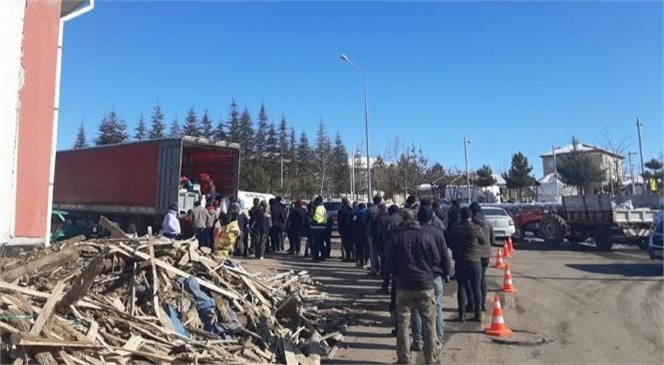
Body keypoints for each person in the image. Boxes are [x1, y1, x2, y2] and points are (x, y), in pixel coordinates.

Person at [384, 209, 440, 365]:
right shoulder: (427, 237)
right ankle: (431, 358)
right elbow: (436, 260)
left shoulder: (397, 238)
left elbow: (388, 263)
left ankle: (404, 358)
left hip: (403, 286)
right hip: (425, 285)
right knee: (429, 324)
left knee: (403, 324)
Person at [411, 205, 452, 353]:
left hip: (418, 276)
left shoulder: (414, 233)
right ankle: (438, 340)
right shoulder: (438, 233)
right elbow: (444, 256)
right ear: (432, 218)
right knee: (437, 309)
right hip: (435, 277)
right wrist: (446, 273)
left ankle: (418, 341)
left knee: (416, 310)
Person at [450, 207, 488, 322]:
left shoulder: (455, 228)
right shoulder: (475, 227)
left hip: (461, 260)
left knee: (461, 287)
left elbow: (450, 242)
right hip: (475, 260)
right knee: (476, 287)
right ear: (470, 215)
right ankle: (478, 314)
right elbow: (483, 241)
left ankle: (462, 314)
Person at [470, 202, 495, 312]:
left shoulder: (471, 224)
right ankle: (482, 303)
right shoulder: (488, 224)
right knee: (482, 279)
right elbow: (492, 240)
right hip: (485, 254)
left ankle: (473, 304)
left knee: (472, 281)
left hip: (473, 255)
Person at [352, 203, 370, 268]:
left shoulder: (356, 214)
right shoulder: (366, 213)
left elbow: (353, 223)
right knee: (366, 248)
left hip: (357, 233)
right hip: (365, 233)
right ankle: (367, 261)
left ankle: (359, 262)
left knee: (358, 248)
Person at [310, 196, 328, 262]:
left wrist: (312, 223)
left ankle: (316, 256)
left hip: (318, 227)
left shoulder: (318, 208)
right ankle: (323, 256)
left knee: (316, 243)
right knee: (321, 243)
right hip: (323, 227)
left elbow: (316, 217)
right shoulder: (323, 208)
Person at [337, 198, 354, 262]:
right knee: (351, 243)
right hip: (351, 229)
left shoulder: (341, 211)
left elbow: (339, 221)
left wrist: (339, 229)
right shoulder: (352, 210)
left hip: (344, 229)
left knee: (345, 243)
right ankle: (353, 256)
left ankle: (347, 257)